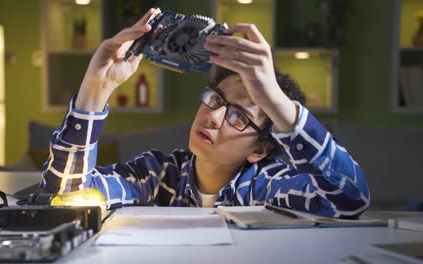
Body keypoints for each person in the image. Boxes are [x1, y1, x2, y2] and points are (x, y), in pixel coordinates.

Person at [39, 8, 370, 218]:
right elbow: (64, 196)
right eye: (215, 99)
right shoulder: (156, 176)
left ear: (259, 150)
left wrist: (274, 100)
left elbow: (350, 199)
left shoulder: (266, 188)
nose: (212, 117)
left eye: (238, 116)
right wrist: (95, 88)